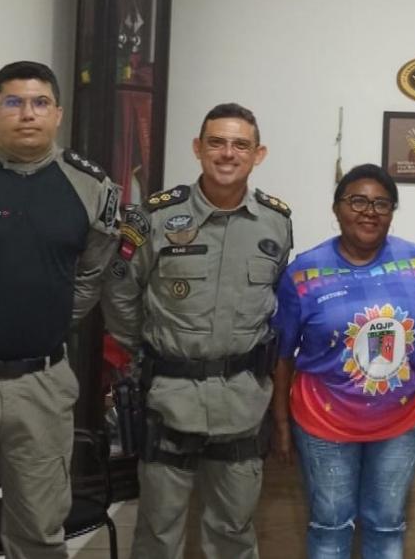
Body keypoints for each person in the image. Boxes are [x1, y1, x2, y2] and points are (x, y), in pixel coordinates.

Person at [103, 103, 293, 558]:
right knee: (158, 534)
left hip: (242, 404)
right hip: (169, 400)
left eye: (240, 145)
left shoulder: (276, 222)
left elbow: (276, 299)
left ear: (258, 154)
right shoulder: (154, 217)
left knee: (233, 533)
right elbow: (120, 293)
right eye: (217, 142)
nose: (228, 154)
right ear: (198, 148)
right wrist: (148, 351)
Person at [0, 60, 118, 558]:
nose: (28, 114)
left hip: (42, 386)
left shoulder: (92, 187)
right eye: (14, 102)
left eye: (40, 102)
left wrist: (46, 320)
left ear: (58, 114)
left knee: (39, 533)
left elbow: (92, 274)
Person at [271, 163, 415, 559]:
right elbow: (282, 354)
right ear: (337, 208)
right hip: (323, 422)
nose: (369, 212)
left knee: (386, 523)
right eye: (357, 201)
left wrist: (401, 349)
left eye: (381, 203)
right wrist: (281, 424)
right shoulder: (304, 272)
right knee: (330, 524)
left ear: (391, 212)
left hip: (401, 419)